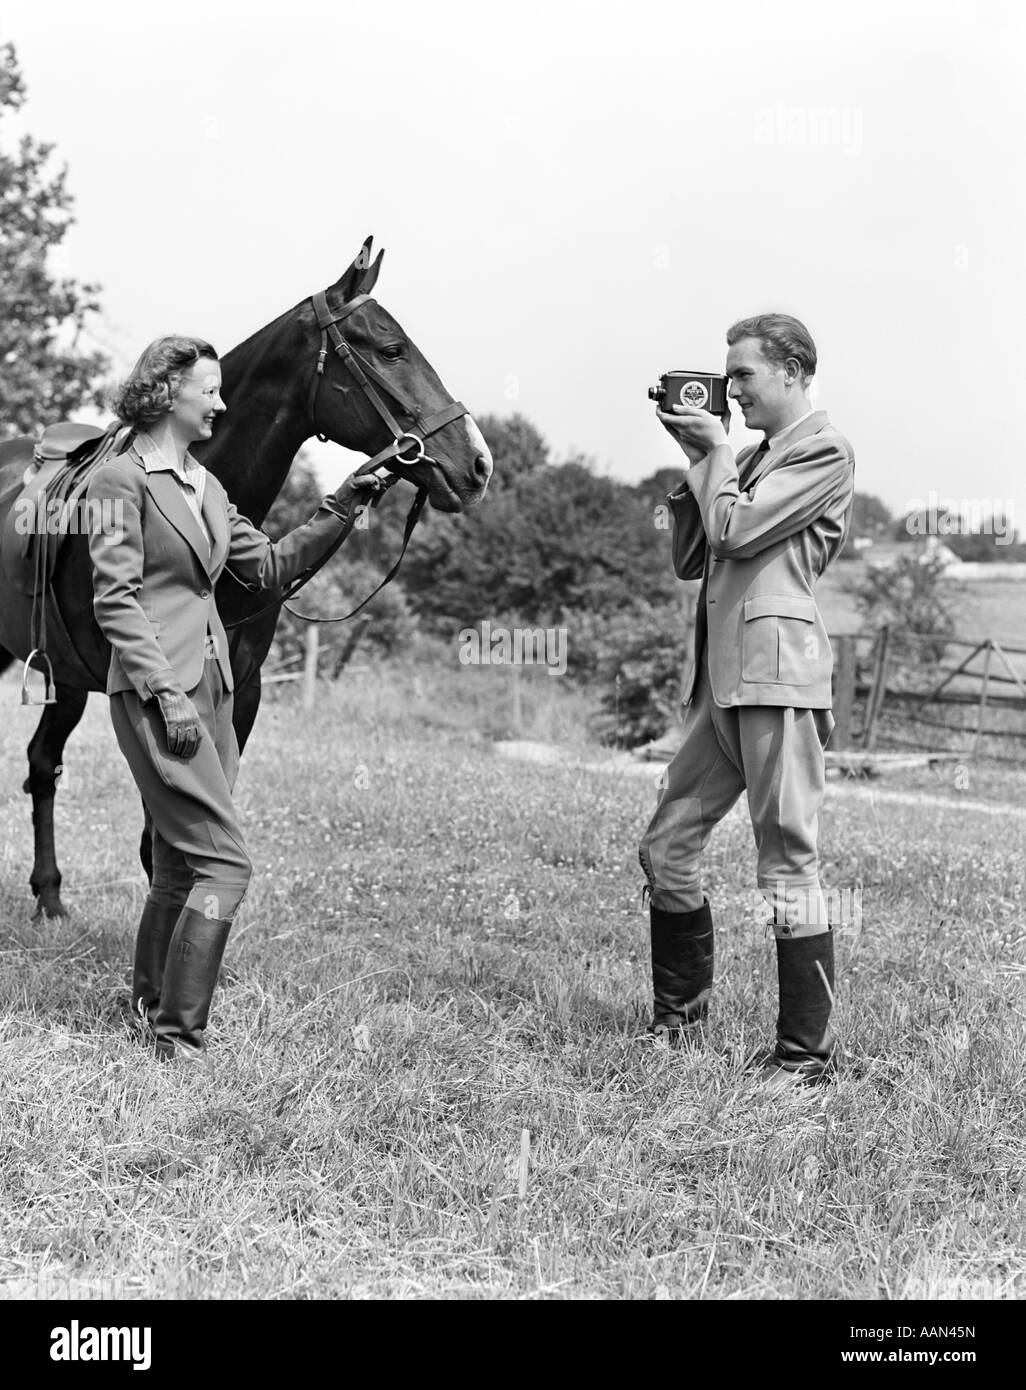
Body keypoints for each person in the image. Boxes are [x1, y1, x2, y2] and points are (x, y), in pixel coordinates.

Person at [86, 336, 382, 1061]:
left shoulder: (208, 488)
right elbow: (114, 600)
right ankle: (179, 1038)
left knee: (184, 862)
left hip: (215, 687)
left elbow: (275, 566)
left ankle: (151, 1003)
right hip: (162, 693)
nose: (221, 402)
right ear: (164, 393)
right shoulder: (119, 482)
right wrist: (165, 693)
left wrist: (343, 504)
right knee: (226, 864)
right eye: (208, 390)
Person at [639, 313, 855, 1087]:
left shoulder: (825, 451)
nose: (730, 389)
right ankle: (678, 1020)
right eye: (725, 377)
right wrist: (698, 454)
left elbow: (735, 531)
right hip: (721, 686)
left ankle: (804, 1056)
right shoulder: (751, 456)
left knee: (787, 860)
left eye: (744, 377)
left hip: (779, 682)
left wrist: (717, 453)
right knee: (667, 845)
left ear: (794, 372)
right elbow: (694, 554)